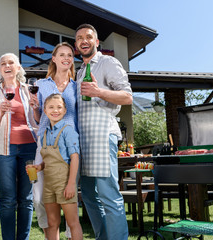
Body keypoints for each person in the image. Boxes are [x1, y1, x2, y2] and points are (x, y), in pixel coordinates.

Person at [75, 23, 133, 239]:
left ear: (96, 42)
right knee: (89, 195)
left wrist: (99, 92)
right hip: (84, 139)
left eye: (89, 37)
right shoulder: (79, 72)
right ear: (76, 45)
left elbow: (127, 97)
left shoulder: (108, 62)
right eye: (80, 38)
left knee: (108, 194)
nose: (84, 40)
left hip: (102, 135)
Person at [0, 53, 38, 240]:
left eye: (11, 63)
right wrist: (0, 114)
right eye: (3, 63)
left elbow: (38, 120)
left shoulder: (29, 89)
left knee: (26, 199)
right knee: (8, 199)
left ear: (18, 67)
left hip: (30, 148)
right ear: (0, 69)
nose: (7, 66)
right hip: (3, 150)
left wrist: (37, 108)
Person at [29, 42, 78, 239]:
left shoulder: (78, 87)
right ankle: (50, 232)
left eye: (69, 55)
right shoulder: (41, 85)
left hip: (68, 145)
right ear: (54, 58)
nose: (66, 58)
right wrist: (34, 109)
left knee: (67, 195)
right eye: (62, 54)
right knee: (40, 196)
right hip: (45, 143)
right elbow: (40, 119)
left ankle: (69, 234)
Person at [27, 93, 82, 240]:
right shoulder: (45, 133)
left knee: (72, 222)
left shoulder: (68, 130)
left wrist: (71, 184)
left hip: (64, 182)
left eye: (59, 107)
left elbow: (75, 158)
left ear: (65, 110)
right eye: (51, 107)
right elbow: (50, 159)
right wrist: (39, 167)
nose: (55, 110)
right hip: (49, 184)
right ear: (45, 111)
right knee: (52, 223)